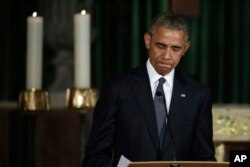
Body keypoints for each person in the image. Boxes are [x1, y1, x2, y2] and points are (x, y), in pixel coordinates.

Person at [82, 12, 216, 167]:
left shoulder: (198, 94)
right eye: (161, 46)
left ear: (185, 48)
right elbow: (95, 155)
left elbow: (204, 157)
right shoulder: (118, 88)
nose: (167, 55)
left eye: (175, 49)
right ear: (147, 40)